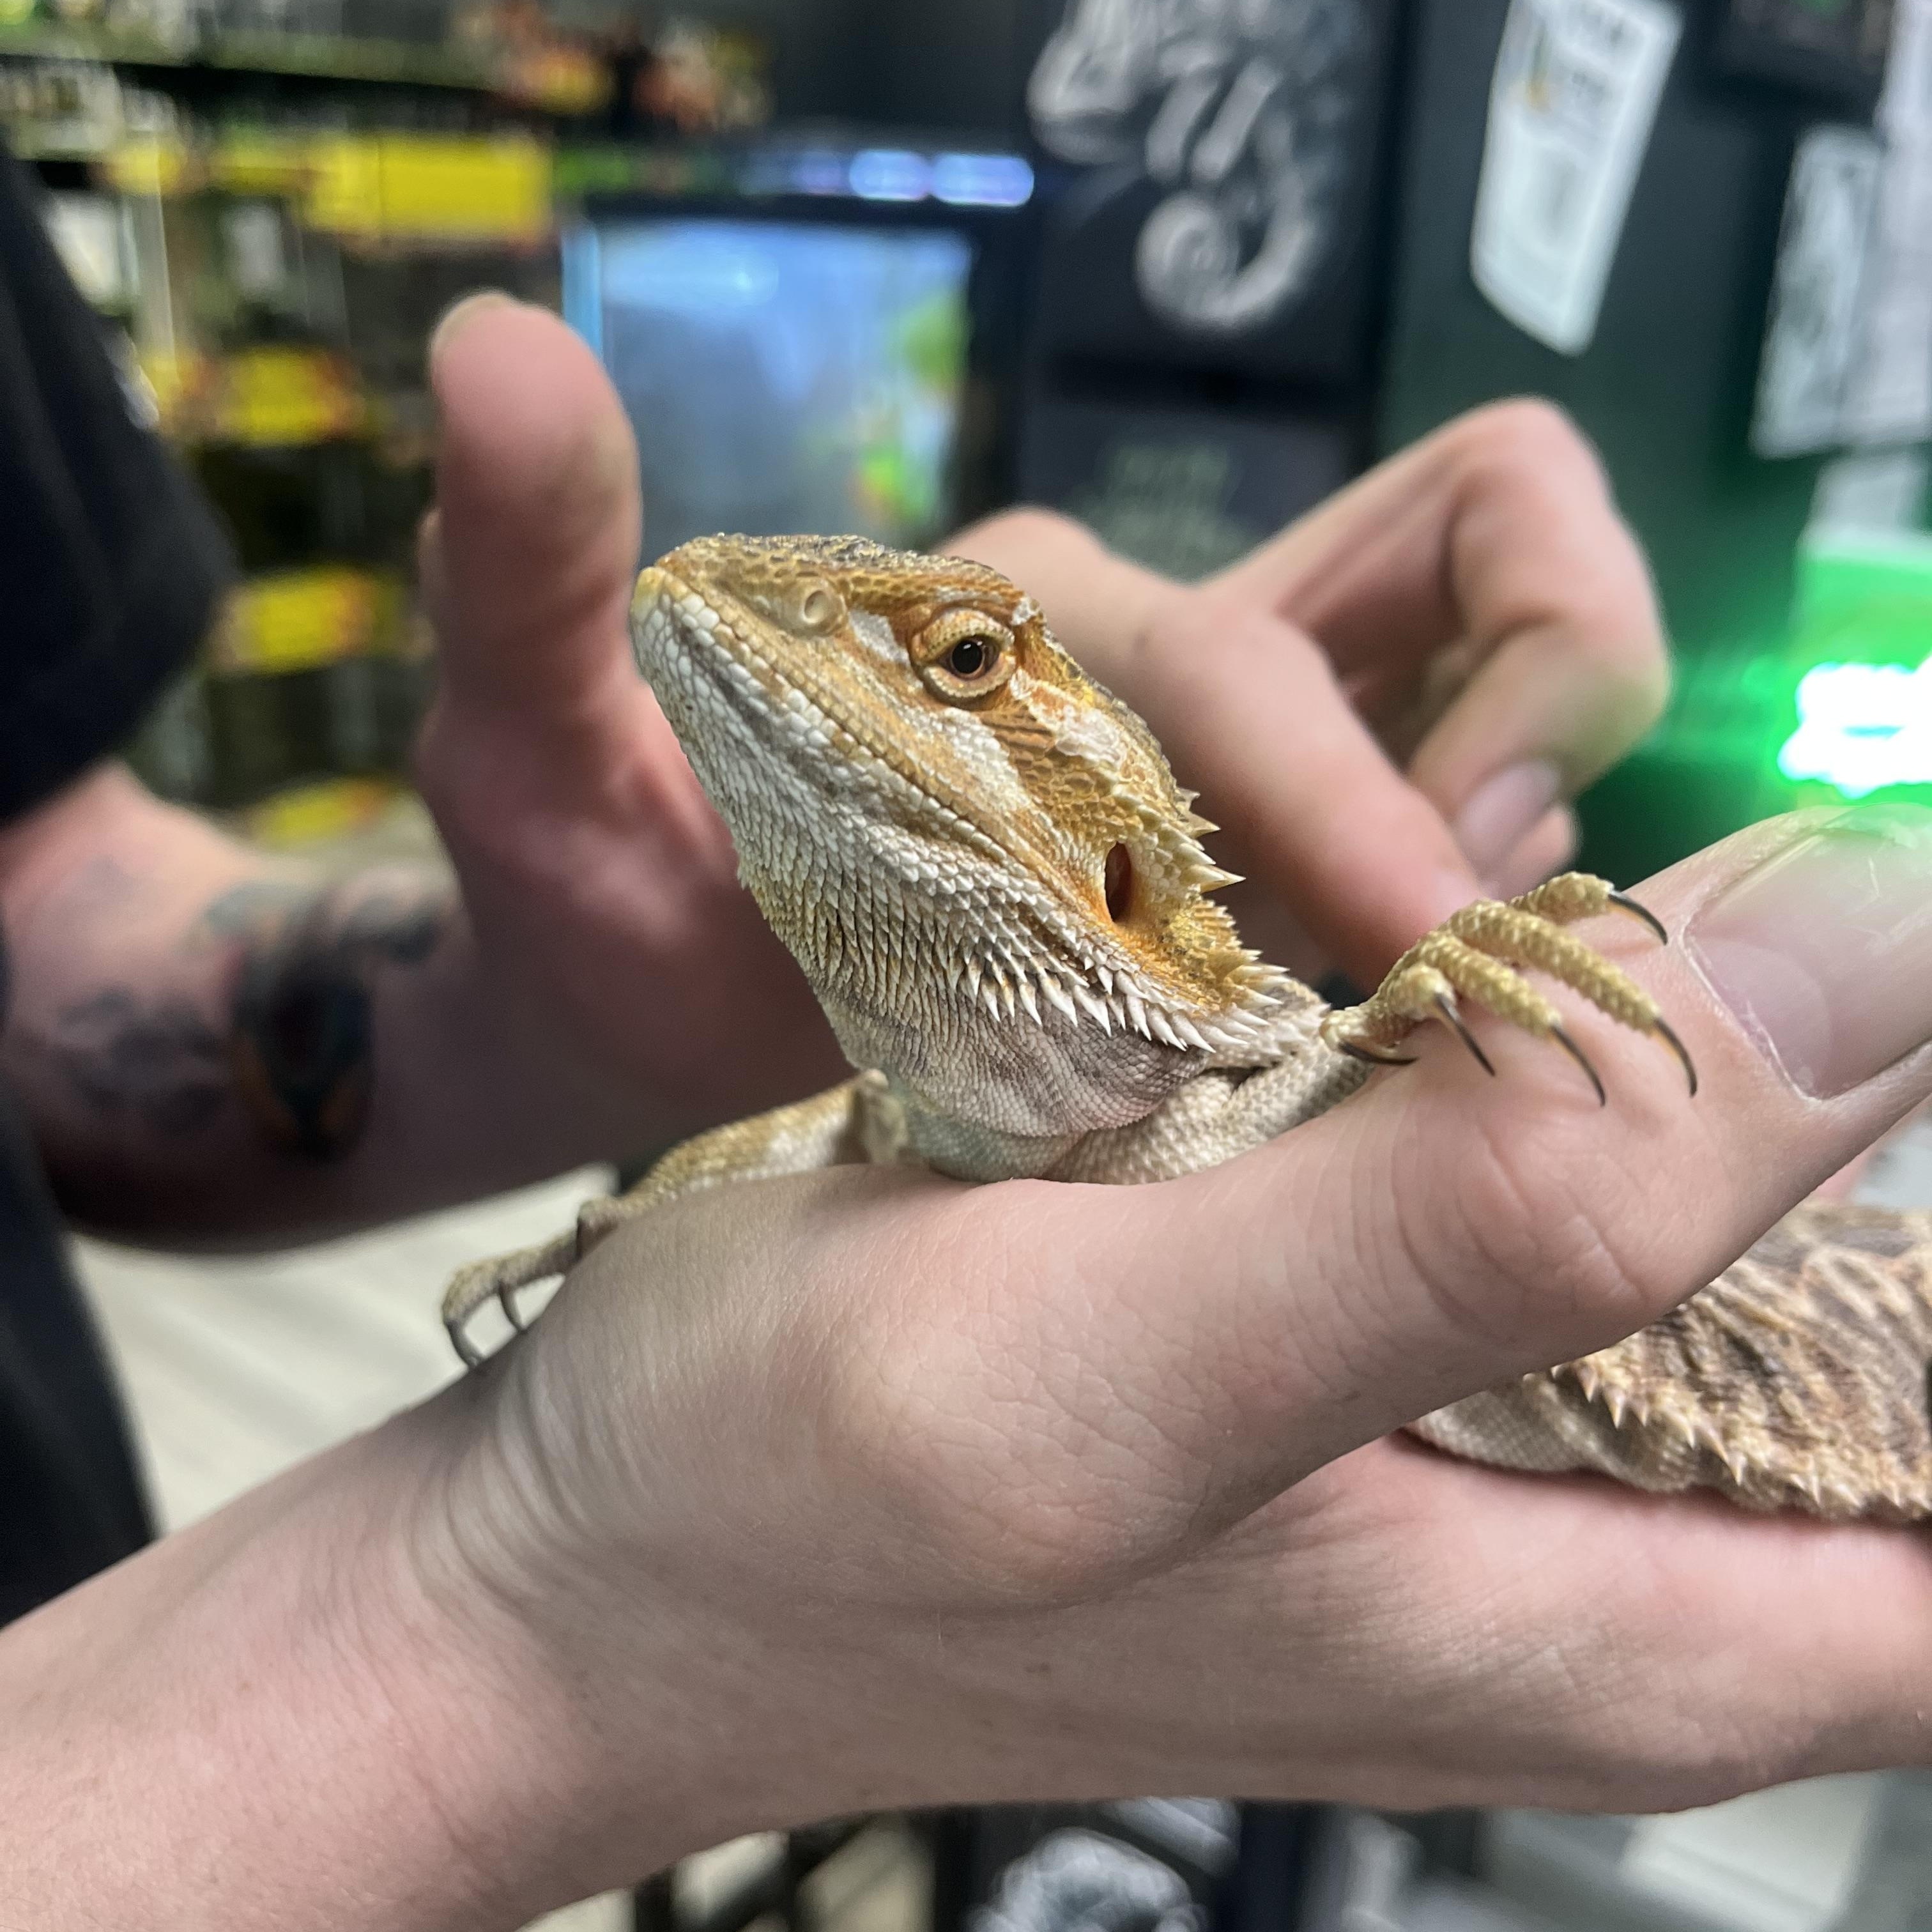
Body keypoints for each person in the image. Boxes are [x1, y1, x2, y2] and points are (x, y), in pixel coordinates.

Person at [0, 144, 1929, 1923]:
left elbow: (43, 897)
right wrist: (536, 1600)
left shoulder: (1285, 1088)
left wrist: (535, 1025)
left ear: (1106, 870)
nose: (825, 662)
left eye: (960, 668)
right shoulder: (935, 1123)